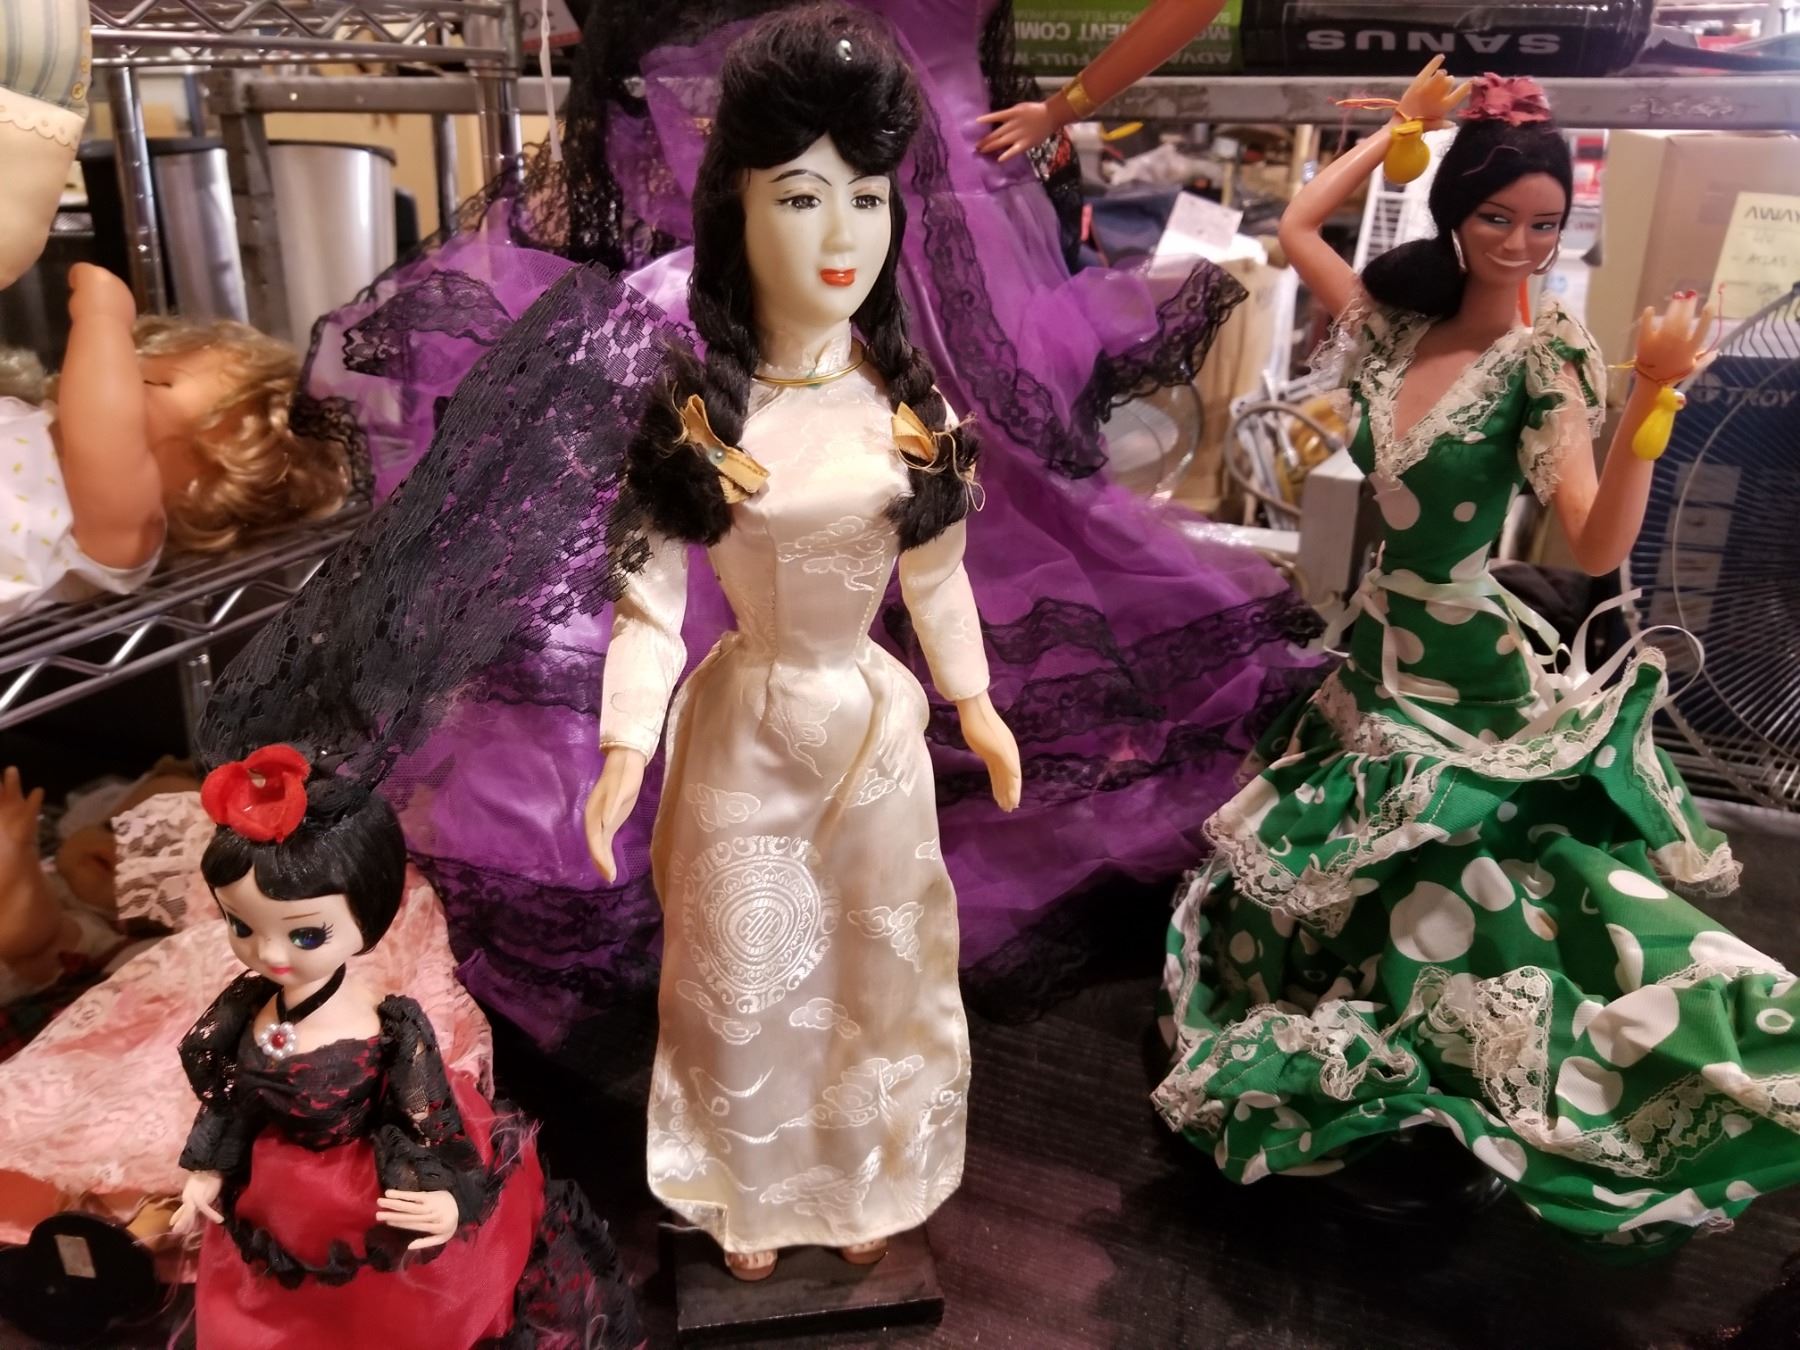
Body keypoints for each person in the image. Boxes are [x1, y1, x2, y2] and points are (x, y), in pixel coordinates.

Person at [1154, 60, 1798, 1252]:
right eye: (1499, 217)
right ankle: (1394, 1048)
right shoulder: (1394, 330)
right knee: (1358, 870)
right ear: (1457, 211)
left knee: (1486, 874)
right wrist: (1400, 128)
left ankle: (1614, 1050)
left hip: (1466, 669)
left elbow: (1595, 544)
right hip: (1377, 650)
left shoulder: (1542, 363)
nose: (1520, 243)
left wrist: (1652, 401)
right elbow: (1298, 225)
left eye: (1545, 225)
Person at [170, 746, 643, 1347]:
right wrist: (209, 1169)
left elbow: (428, 1120)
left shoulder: (387, 1025)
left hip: (364, 1200)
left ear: (368, 917)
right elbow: (234, 1100)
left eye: (306, 934)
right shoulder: (246, 1004)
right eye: (242, 926)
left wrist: (449, 1197)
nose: (269, 953)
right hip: (275, 1197)